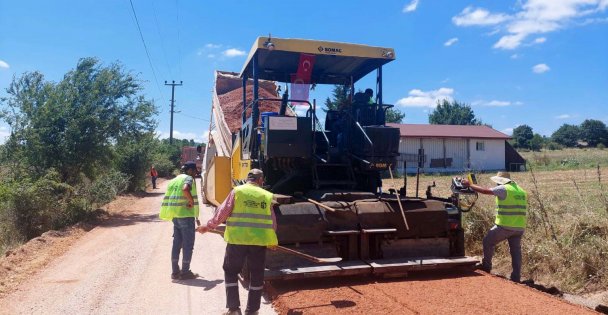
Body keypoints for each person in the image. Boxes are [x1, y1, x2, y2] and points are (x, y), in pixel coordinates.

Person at [197, 168, 277, 315]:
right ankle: (252, 311)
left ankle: (234, 309)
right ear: (260, 180)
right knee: (257, 275)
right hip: (258, 243)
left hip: (237, 241)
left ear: (248, 179)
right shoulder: (267, 196)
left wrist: (208, 226)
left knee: (230, 271)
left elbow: (222, 212)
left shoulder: (237, 191)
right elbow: (272, 222)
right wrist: (272, 241)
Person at [462, 171, 528, 282]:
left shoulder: (503, 189)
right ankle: (516, 277)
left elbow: (485, 191)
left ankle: (486, 266)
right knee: (515, 251)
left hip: (505, 226)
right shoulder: (521, 190)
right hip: (519, 227)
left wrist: (470, 185)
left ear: (501, 181)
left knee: (488, 241)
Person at [159, 161, 200, 280]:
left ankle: (175, 272)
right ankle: (185, 272)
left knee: (177, 245)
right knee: (188, 245)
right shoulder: (188, 178)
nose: (195, 173)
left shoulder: (174, 180)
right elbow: (185, 189)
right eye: (195, 170)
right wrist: (191, 202)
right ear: (190, 170)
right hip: (186, 216)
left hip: (175, 216)